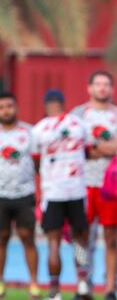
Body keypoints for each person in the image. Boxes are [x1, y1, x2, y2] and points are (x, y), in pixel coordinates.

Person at [72, 70, 117, 300]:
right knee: (81, 237)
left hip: (111, 185)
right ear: (89, 88)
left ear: (112, 89)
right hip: (81, 184)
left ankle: (110, 288)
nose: (102, 88)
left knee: (111, 238)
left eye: (106, 84)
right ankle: (82, 284)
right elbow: (75, 147)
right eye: (98, 84)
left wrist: (92, 147)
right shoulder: (78, 114)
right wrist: (104, 147)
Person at [31, 90, 91, 300]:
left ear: (47, 105)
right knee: (79, 240)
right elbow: (88, 152)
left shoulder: (39, 129)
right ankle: (82, 283)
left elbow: (36, 162)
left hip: (54, 192)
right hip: (76, 190)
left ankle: (55, 290)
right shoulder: (78, 124)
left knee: (53, 242)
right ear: (63, 103)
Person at [0, 92, 40, 300]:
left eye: (9, 106)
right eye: (2, 107)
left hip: (24, 194)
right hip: (1, 195)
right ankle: (0, 285)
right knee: (2, 239)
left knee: (28, 238)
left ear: (16, 107)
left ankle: (34, 284)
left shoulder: (29, 132)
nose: (6, 110)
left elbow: (38, 162)